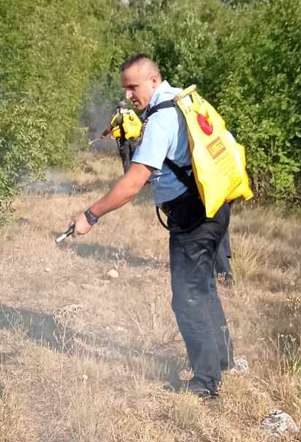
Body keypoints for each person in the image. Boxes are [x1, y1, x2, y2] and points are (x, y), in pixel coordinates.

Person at [69, 54, 233, 398]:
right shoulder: (184, 102)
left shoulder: (161, 120)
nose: (129, 95)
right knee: (202, 286)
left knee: (187, 296)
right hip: (214, 207)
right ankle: (222, 359)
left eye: (133, 86)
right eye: (125, 88)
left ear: (153, 80)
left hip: (194, 216)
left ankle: (205, 383)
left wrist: (91, 215)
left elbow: (133, 184)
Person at [101, 102, 141, 174]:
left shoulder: (118, 116)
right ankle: (137, 178)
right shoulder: (132, 114)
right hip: (135, 140)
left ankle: (128, 179)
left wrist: (103, 135)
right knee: (135, 160)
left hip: (124, 141)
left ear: (119, 108)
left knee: (126, 161)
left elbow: (109, 128)